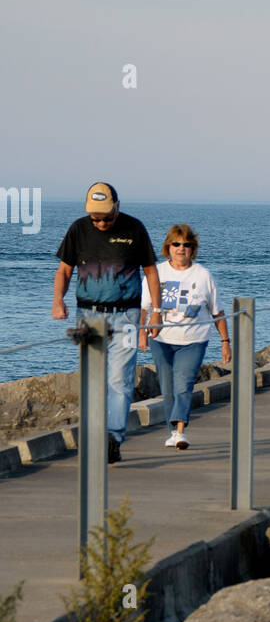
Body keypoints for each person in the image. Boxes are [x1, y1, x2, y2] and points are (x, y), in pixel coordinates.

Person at [53, 182, 161, 463]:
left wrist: (156, 312)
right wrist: (57, 300)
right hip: (87, 316)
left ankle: (113, 439)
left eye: (106, 217)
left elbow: (151, 272)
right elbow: (64, 270)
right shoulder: (78, 229)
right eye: (95, 217)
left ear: (117, 206)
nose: (100, 222)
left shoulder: (134, 229)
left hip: (126, 316)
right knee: (92, 379)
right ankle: (94, 434)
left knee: (119, 380)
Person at [140, 224, 231, 450]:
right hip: (161, 340)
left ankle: (181, 432)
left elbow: (217, 311)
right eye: (176, 244)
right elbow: (144, 307)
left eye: (187, 245)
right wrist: (142, 333)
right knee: (168, 387)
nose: (181, 249)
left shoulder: (203, 275)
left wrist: (225, 342)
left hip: (193, 340)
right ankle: (173, 432)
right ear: (168, 247)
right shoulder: (156, 272)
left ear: (193, 248)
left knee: (184, 384)